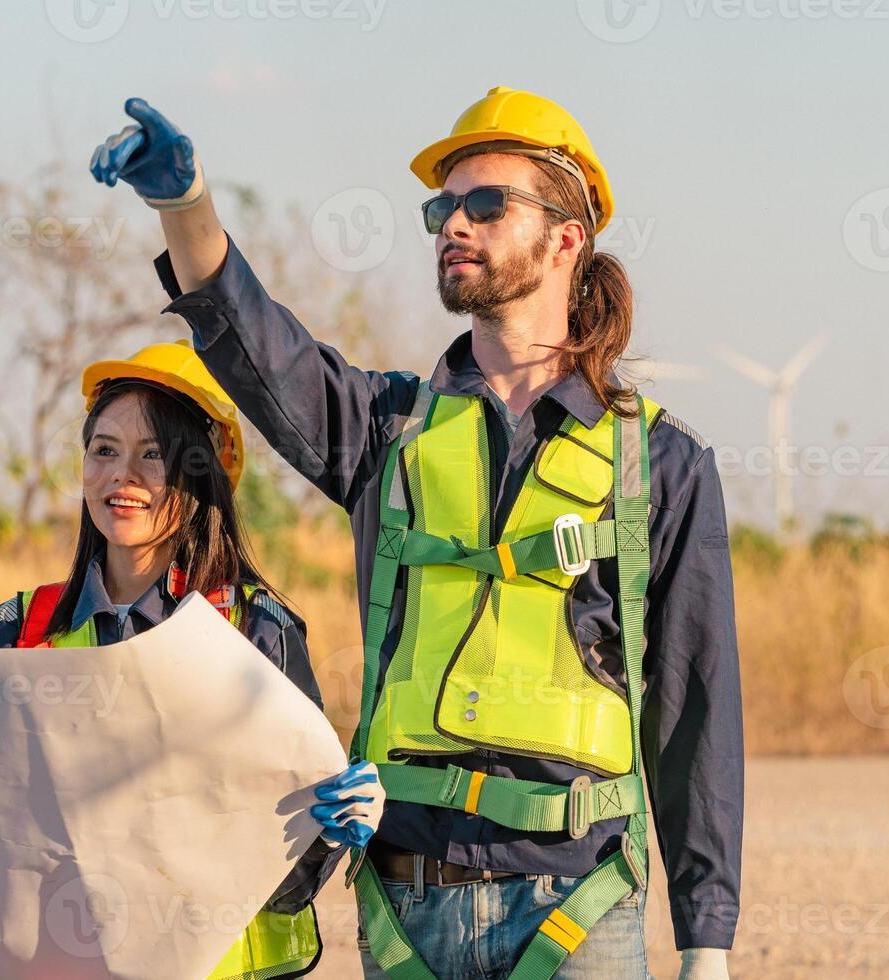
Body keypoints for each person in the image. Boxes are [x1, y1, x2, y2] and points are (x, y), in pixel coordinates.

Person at [89, 85, 744, 980]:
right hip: (409, 907)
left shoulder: (662, 467)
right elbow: (258, 346)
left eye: (485, 204)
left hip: (581, 903)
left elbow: (696, 714)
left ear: (566, 236)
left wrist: (706, 944)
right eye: (443, 206)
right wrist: (185, 206)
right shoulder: (386, 432)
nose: (452, 225)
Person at [0, 341, 384, 980]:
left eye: (155, 455)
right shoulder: (18, 632)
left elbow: (288, 885)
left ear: (202, 472)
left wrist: (329, 830)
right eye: (105, 451)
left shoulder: (255, 631)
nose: (123, 476)